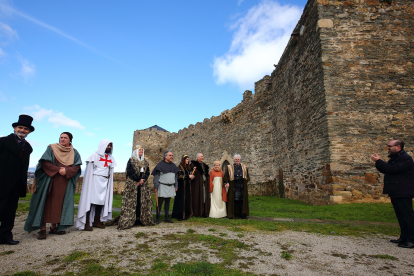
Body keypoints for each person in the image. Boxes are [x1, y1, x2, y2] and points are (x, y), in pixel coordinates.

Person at [24, 132, 82, 240]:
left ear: (70, 140)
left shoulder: (74, 152)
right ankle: (42, 229)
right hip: (50, 180)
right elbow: (45, 162)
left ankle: (54, 227)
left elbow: (77, 167)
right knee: (45, 203)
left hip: (65, 182)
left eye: (65, 138)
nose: (62, 139)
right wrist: (58, 170)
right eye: (61, 137)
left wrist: (67, 171)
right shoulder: (52, 148)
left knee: (59, 204)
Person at [371, 140, 414, 248]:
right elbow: (387, 170)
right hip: (396, 190)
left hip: (403, 190)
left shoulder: (405, 158)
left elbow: (393, 169)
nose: (388, 148)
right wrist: (378, 162)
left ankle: (412, 240)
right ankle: (404, 237)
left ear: (398, 147)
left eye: (390, 146)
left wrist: (379, 161)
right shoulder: (396, 158)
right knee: (400, 216)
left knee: (408, 216)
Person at [0, 115, 34, 245]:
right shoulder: (3, 142)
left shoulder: (28, 147)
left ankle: (5, 236)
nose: (23, 130)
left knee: (10, 210)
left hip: (16, 184)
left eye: (26, 129)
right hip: (2, 181)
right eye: (20, 127)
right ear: (15, 128)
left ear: (29, 131)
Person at [76, 139, 116, 231]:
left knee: (102, 201)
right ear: (103, 145)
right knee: (90, 200)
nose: (109, 147)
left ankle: (96, 221)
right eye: (107, 145)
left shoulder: (111, 158)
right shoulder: (94, 156)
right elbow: (89, 170)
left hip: (105, 181)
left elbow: (110, 170)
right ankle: (86, 222)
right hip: (95, 180)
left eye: (110, 146)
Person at [116, 145, 154, 229]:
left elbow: (147, 172)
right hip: (133, 184)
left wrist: (143, 180)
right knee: (133, 201)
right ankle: (131, 219)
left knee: (142, 201)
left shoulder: (145, 161)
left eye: (142, 150)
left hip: (143, 186)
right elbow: (130, 171)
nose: (141, 151)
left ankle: (141, 218)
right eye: (140, 150)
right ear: (136, 151)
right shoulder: (131, 160)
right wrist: (137, 179)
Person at [152, 150, 179, 224]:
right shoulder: (160, 165)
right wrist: (156, 186)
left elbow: (175, 177)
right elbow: (156, 177)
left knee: (167, 202)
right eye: (170, 155)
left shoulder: (173, 165)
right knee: (160, 203)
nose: (171, 157)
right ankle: (157, 218)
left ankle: (166, 217)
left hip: (170, 186)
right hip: (162, 186)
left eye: (172, 155)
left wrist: (176, 185)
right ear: (165, 156)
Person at [224, 154, 250, 219]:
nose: (237, 160)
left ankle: (242, 214)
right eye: (236, 159)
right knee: (233, 200)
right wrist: (227, 182)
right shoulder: (230, 167)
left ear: (240, 159)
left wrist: (246, 180)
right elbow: (226, 176)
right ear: (234, 160)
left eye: (238, 159)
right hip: (233, 185)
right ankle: (232, 214)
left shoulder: (244, 167)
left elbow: (247, 176)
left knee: (241, 200)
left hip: (241, 185)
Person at [172, 155, 195, 221]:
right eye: (186, 159)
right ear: (183, 160)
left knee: (187, 199)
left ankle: (186, 214)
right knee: (181, 200)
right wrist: (188, 177)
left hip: (187, 186)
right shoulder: (179, 167)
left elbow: (188, 175)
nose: (188, 160)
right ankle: (180, 215)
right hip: (181, 187)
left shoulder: (187, 168)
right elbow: (179, 176)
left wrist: (191, 177)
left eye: (188, 159)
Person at [190, 153, 210, 217]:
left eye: (203, 156)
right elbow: (191, 174)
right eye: (201, 156)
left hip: (204, 184)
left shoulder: (204, 165)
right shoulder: (193, 165)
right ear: (197, 157)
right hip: (196, 185)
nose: (202, 157)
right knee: (197, 197)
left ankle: (204, 212)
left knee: (204, 198)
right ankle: (197, 212)